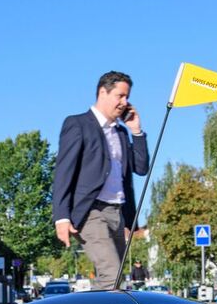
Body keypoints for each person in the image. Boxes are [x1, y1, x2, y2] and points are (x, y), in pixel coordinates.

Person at [52, 71, 149, 290]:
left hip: (117, 212)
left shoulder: (122, 133)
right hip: (90, 212)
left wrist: (136, 131)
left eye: (127, 97)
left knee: (114, 279)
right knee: (111, 274)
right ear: (102, 92)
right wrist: (61, 217)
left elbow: (141, 168)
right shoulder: (78, 124)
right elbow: (63, 172)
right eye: (120, 96)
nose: (125, 102)